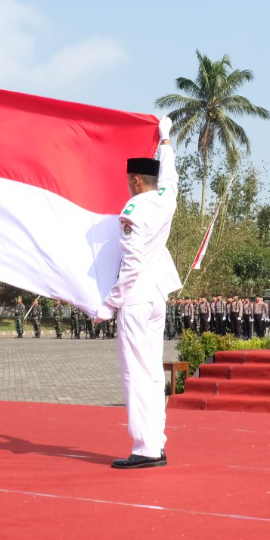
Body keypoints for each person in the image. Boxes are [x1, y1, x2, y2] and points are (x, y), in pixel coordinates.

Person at [94, 123, 180, 469]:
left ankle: (144, 447)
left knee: (135, 372)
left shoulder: (133, 211)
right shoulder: (166, 199)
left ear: (135, 182)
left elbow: (130, 266)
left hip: (136, 296)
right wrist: (165, 140)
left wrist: (109, 304)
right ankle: (156, 441)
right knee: (154, 372)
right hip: (158, 294)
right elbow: (172, 175)